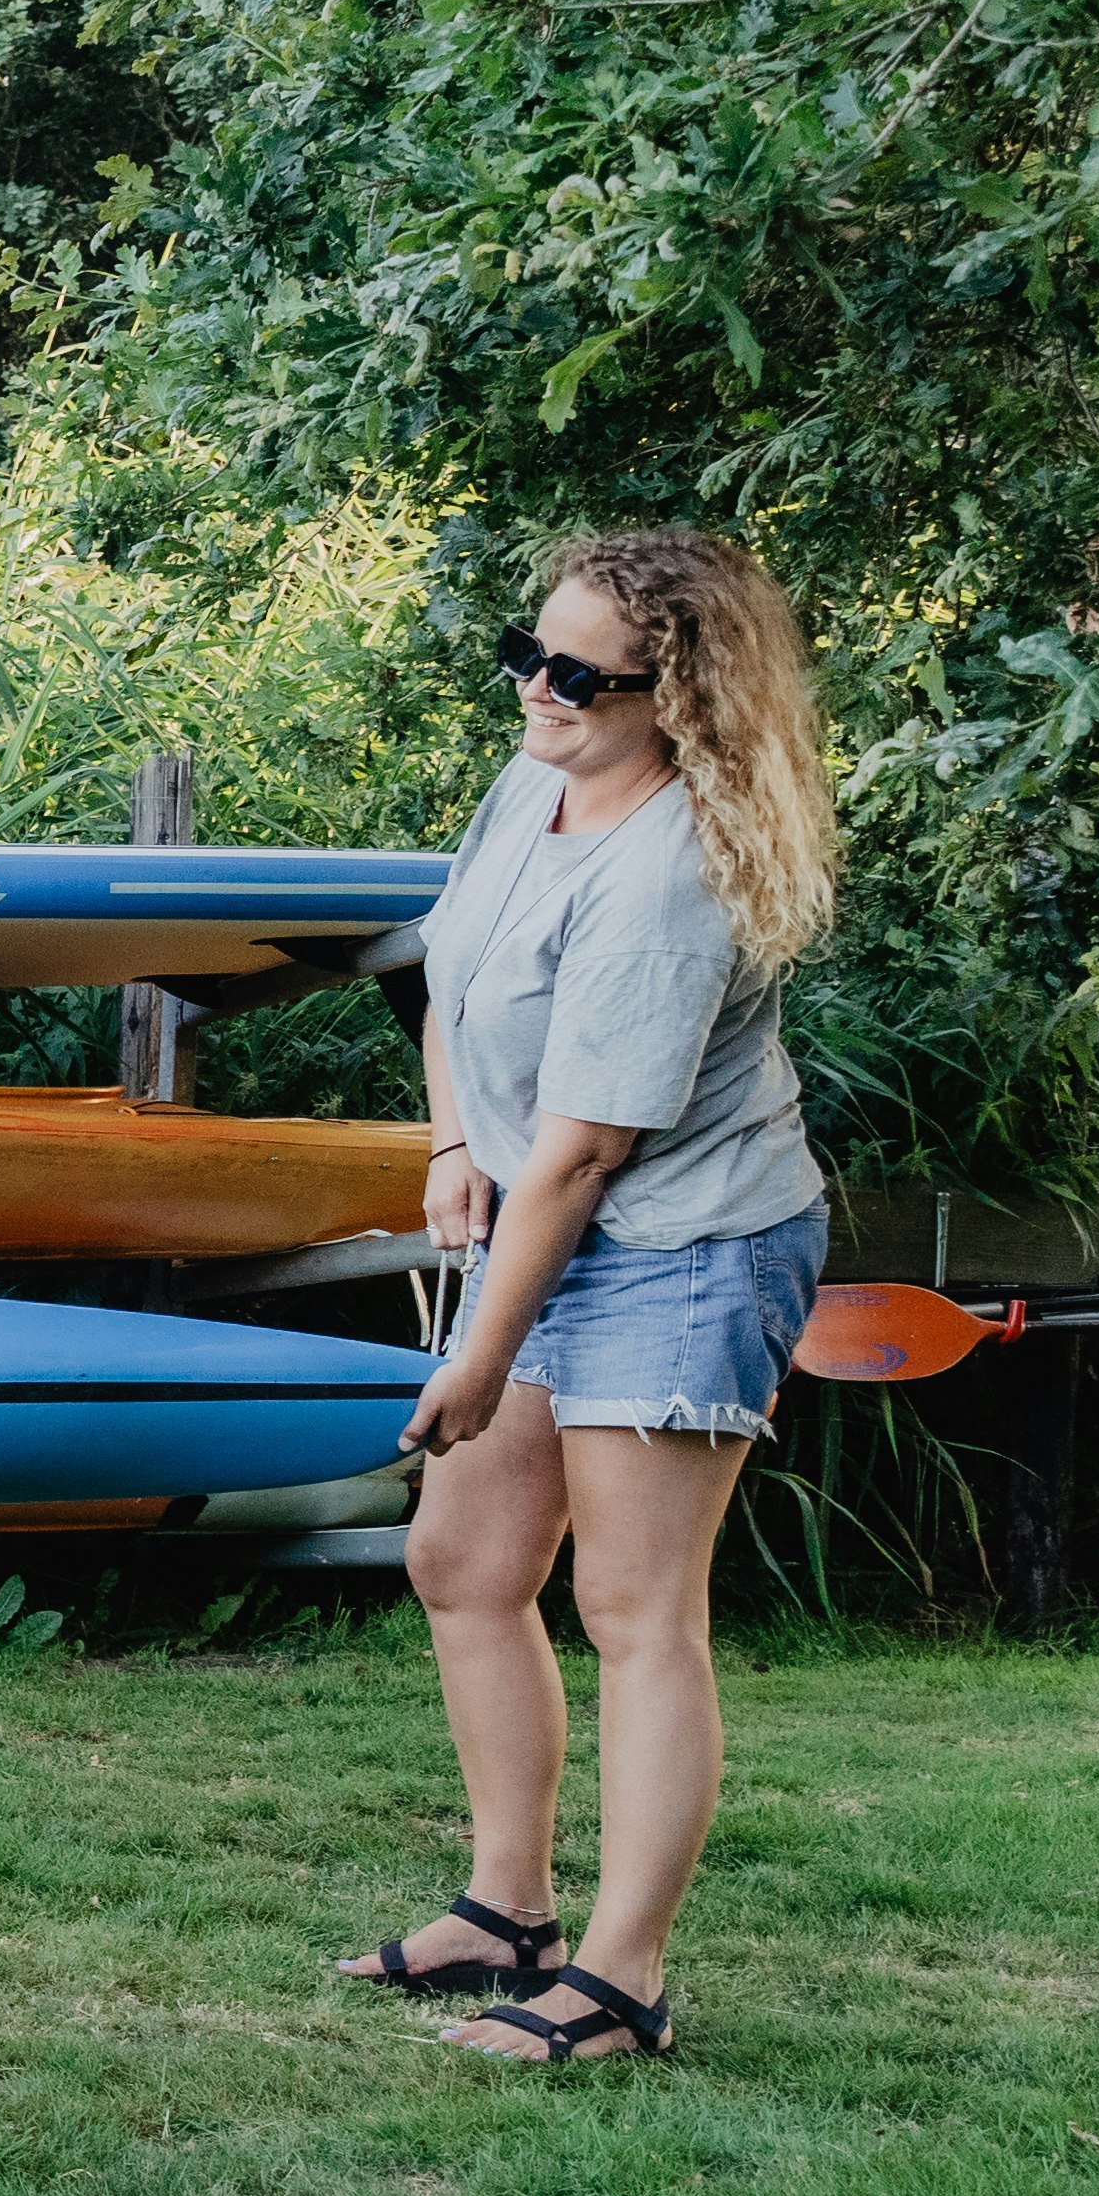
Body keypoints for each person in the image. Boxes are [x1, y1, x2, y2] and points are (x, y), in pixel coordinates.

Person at [341, 529, 839, 2064]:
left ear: (677, 697)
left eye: (578, 677)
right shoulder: (531, 785)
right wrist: (446, 1143)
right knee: (464, 1561)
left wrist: (480, 1356)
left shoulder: (680, 866)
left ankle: (622, 1982)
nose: (537, 692)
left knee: (635, 1610)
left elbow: (586, 1155)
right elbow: (447, 977)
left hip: (683, 1245)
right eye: (528, 654)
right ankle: (508, 1909)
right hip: (550, 1219)